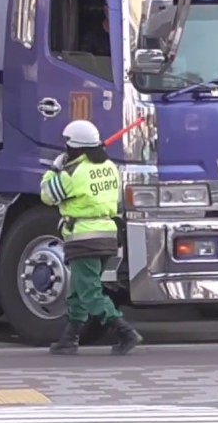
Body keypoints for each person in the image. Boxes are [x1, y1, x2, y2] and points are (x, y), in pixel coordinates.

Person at [40, 119, 142, 356]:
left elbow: (47, 195)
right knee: (78, 289)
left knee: (90, 292)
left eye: (67, 145)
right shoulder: (111, 168)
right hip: (107, 237)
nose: (64, 149)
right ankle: (69, 338)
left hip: (83, 238)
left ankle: (124, 331)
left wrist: (54, 169)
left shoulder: (72, 173)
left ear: (75, 147)